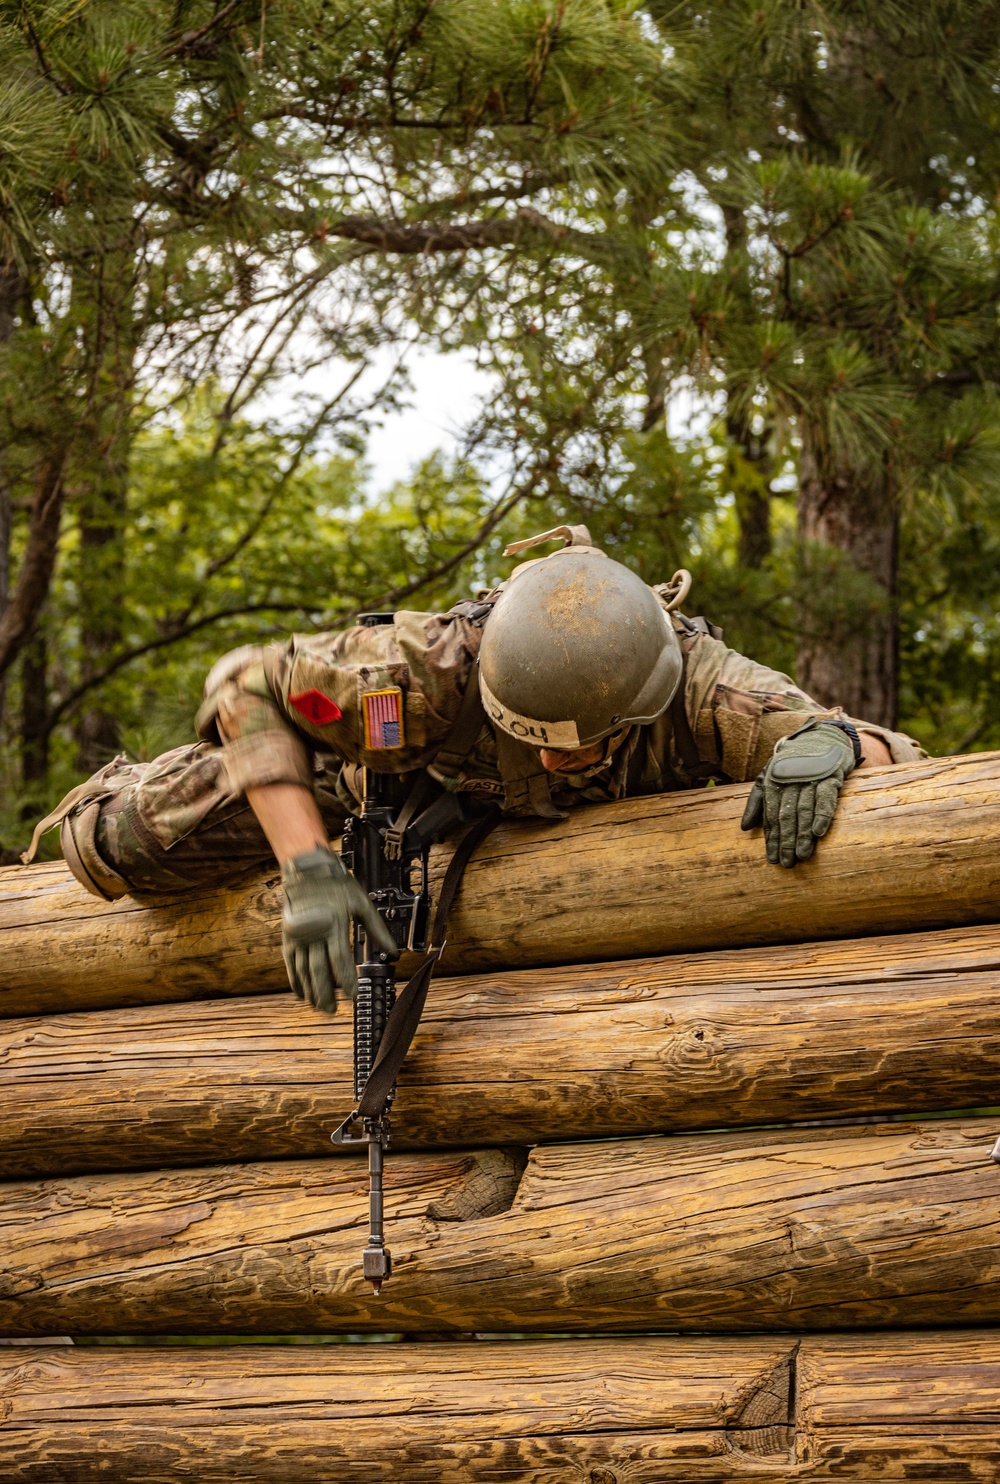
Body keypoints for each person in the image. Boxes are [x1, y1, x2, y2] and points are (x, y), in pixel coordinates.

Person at [26, 525, 924, 1011]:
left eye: (577, 744)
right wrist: (306, 866)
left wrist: (836, 746)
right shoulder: (421, 671)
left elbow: (882, 755)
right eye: (530, 734)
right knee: (119, 844)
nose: (552, 756)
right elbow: (245, 686)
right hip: (356, 785)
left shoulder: (697, 685)